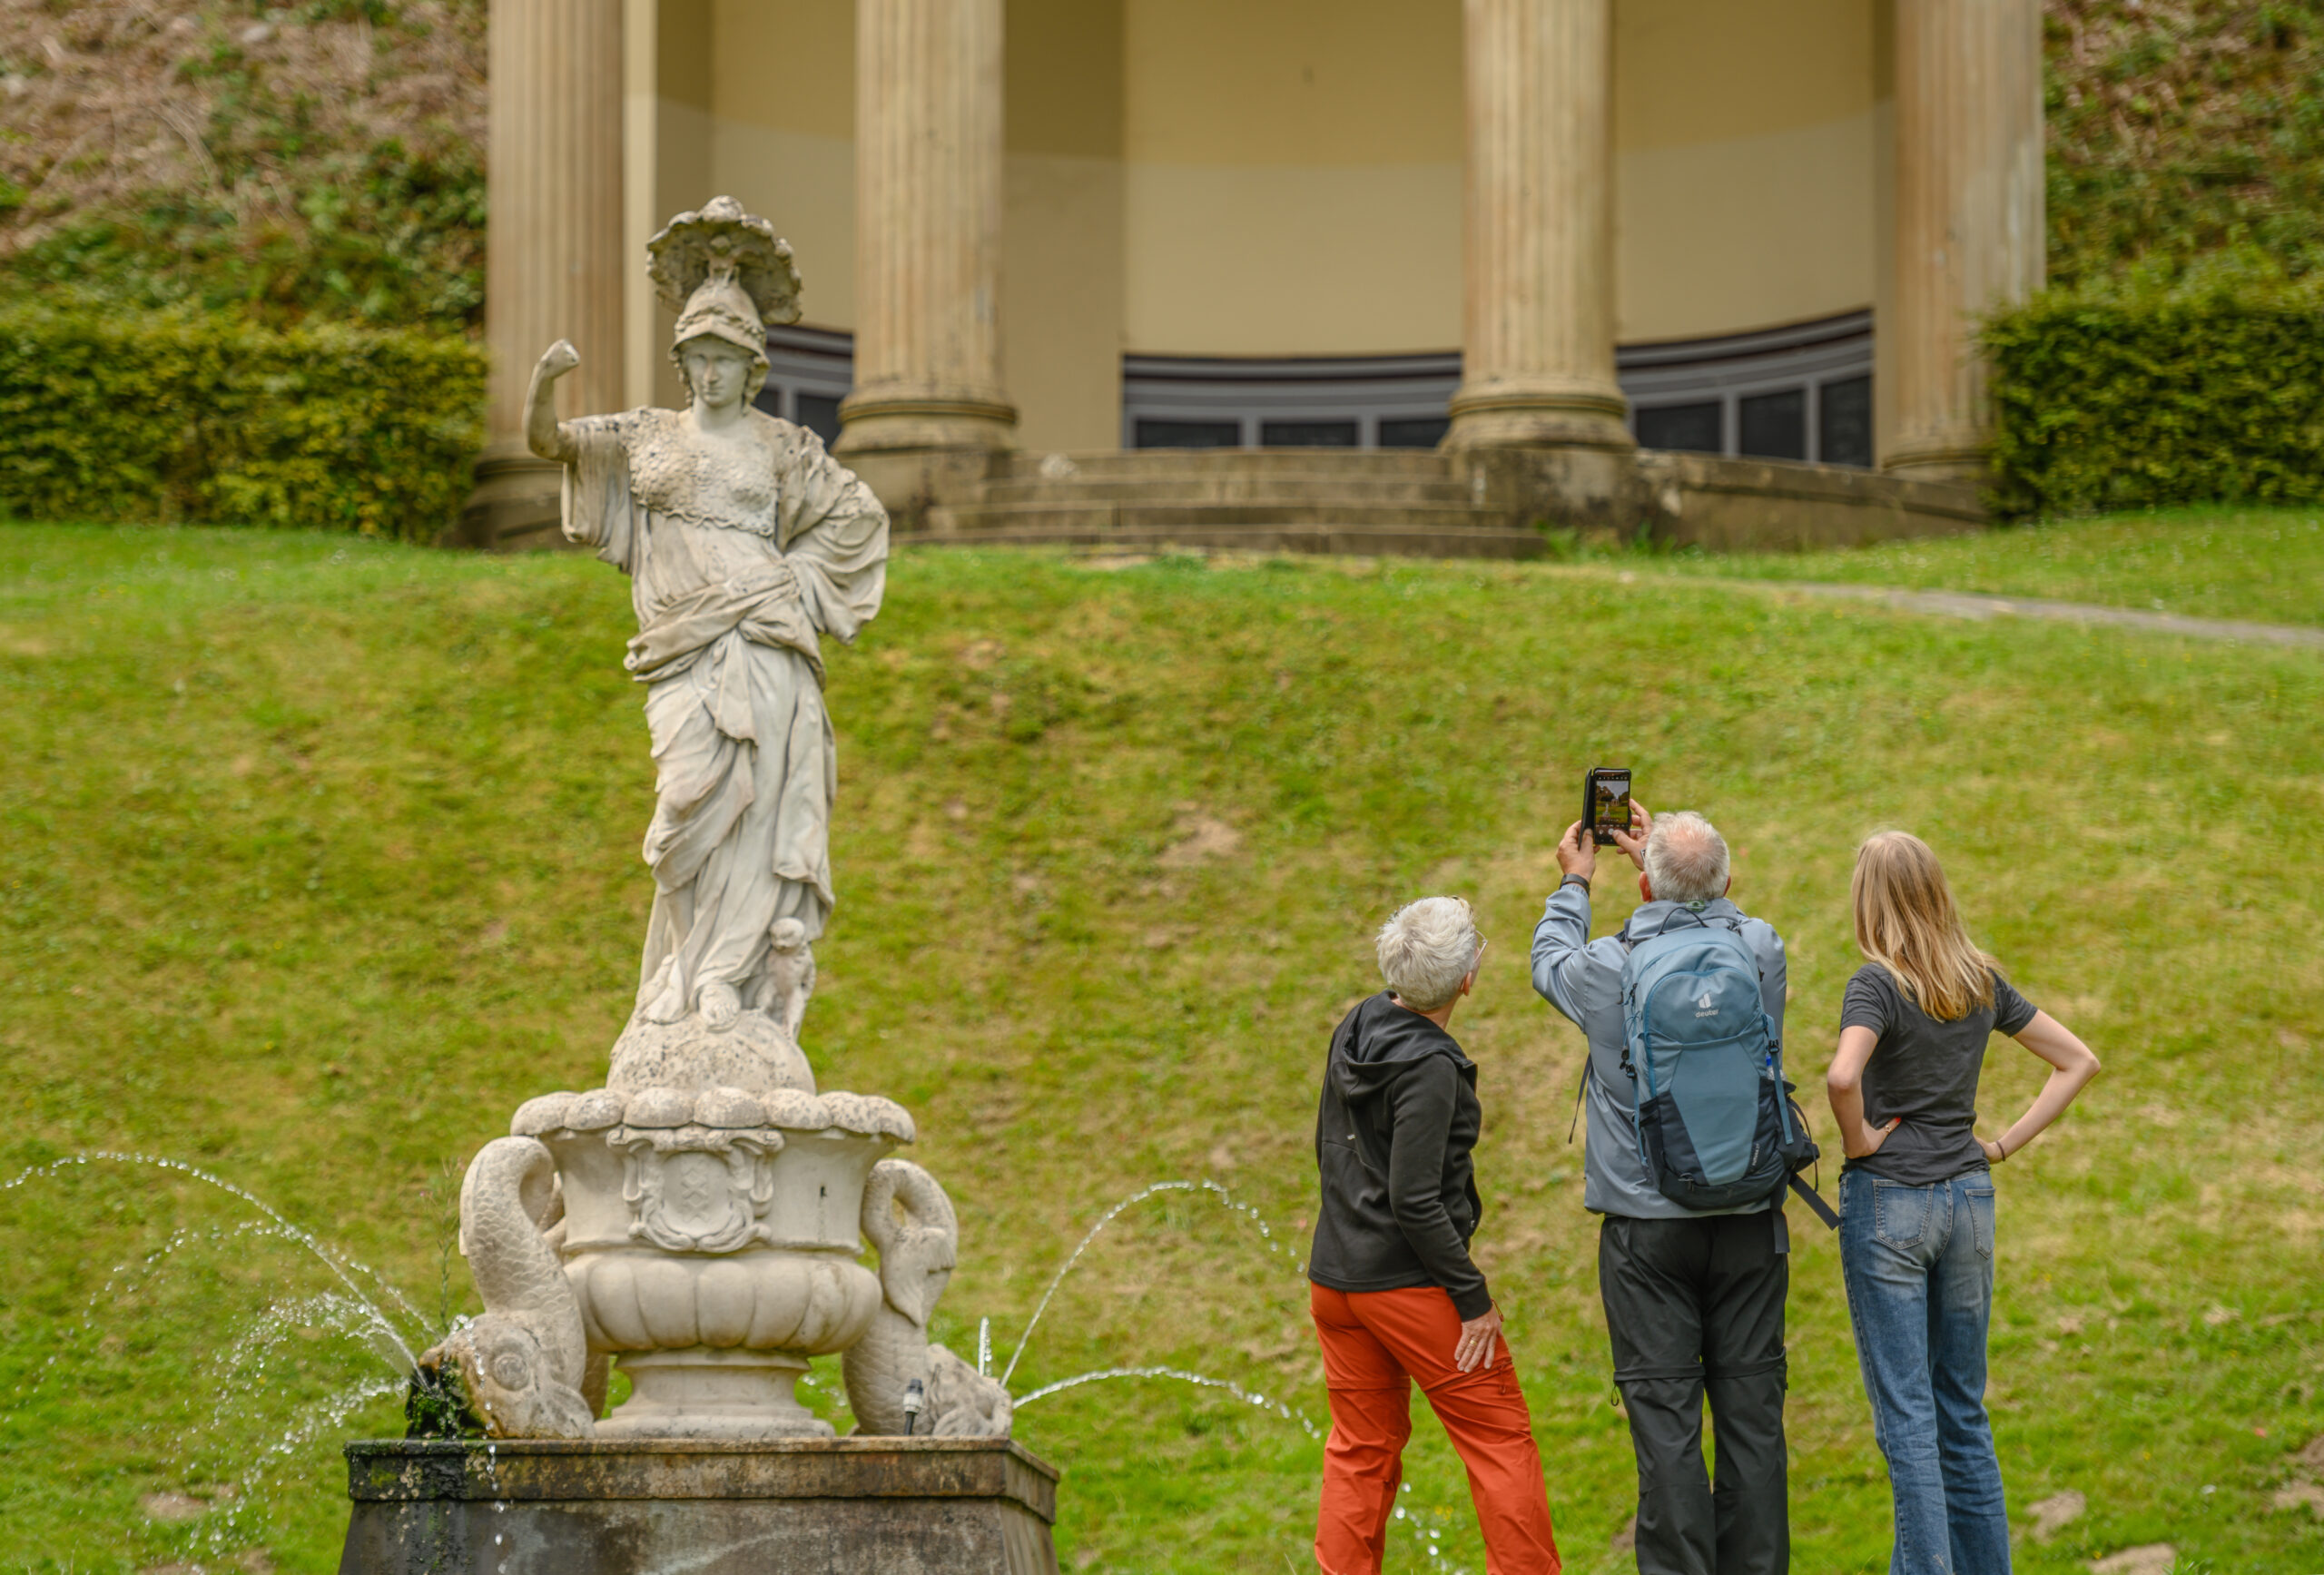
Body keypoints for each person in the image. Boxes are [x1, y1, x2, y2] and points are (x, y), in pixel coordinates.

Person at [525, 198, 889, 1035]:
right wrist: (544, 384)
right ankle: (685, 968)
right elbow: (550, 443)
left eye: (726, 358)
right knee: (685, 808)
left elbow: (858, 516)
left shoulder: (783, 447)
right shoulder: (642, 433)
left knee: (755, 815)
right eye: (699, 357)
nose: (712, 373)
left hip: (764, 643)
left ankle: (723, 975)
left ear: (751, 367)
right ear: (682, 363)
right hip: (680, 648)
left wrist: (793, 578)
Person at [1825, 832, 2100, 1575]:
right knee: (1962, 1411)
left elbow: (1843, 1077)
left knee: (1908, 1420)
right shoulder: (1979, 979)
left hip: (1892, 1204)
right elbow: (2078, 1060)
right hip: (1970, 1203)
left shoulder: (1876, 984)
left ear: (1869, 901)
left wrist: (1858, 1142)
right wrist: (2000, 1146)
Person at [1531, 805, 1790, 1575]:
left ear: (1644, 885)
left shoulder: (1605, 967)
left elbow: (1547, 960)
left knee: (1667, 1431)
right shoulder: (1761, 948)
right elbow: (1722, 913)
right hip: (1748, 1217)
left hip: (1645, 1235)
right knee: (1753, 1423)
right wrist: (1666, 873)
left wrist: (1576, 883)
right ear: (1729, 883)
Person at [1307, 897, 1561, 1575]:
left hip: (1336, 1278)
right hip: (1409, 1286)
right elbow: (1414, 1199)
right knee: (1500, 1440)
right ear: (1466, 980)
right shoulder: (1430, 1065)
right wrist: (1472, 1299)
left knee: (1360, 1448)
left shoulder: (1358, 1022)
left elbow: (1331, 1148)